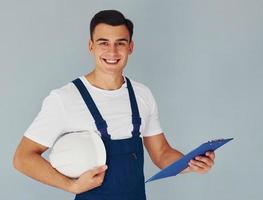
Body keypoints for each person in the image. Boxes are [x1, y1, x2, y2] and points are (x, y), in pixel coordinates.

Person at [13, 10, 215, 200]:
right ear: (91, 46)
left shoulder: (142, 95)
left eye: (120, 43)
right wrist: (71, 185)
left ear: (130, 47)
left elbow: (162, 153)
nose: (112, 51)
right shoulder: (64, 98)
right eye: (103, 43)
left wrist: (192, 164)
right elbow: (23, 158)